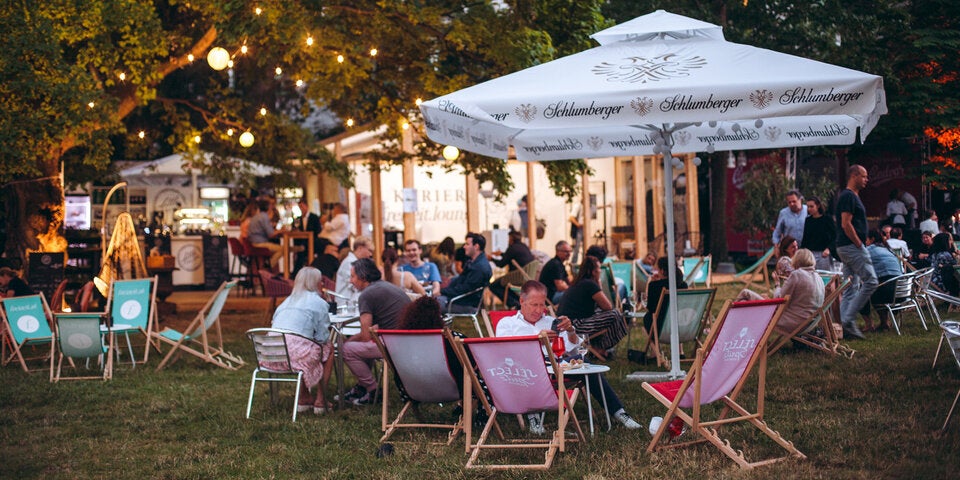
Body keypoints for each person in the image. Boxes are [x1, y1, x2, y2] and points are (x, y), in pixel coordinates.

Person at [495, 280, 641, 433]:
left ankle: (619, 413)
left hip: (556, 366)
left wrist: (571, 331)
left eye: (542, 304)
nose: (539, 310)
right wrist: (538, 339)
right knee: (539, 367)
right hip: (523, 370)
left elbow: (573, 349)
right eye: (534, 305)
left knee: (583, 362)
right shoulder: (507, 324)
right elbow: (506, 352)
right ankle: (534, 418)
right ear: (522, 301)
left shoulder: (551, 322)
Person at [339, 258, 412, 406]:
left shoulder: (367, 295)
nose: (351, 281)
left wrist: (349, 340)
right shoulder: (385, 286)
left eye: (353, 276)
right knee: (361, 346)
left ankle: (373, 391)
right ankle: (362, 387)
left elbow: (366, 336)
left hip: (394, 344)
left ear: (363, 277)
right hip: (409, 341)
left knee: (346, 349)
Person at [270, 267, 334, 414]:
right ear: (316, 283)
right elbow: (322, 337)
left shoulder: (285, 302)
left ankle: (304, 397)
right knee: (327, 348)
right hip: (294, 355)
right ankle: (321, 400)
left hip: (271, 354)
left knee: (304, 345)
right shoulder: (319, 303)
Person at [835, 165, 877, 340]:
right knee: (872, 281)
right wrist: (860, 244)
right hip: (851, 247)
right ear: (854, 176)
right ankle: (848, 319)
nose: (867, 179)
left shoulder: (852, 196)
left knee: (851, 286)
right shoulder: (848, 196)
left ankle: (845, 327)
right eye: (864, 176)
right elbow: (846, 223)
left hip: (846, 247)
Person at [556, 256, 627, 357]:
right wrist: (599, 286)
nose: (600, 271)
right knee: (615, 314)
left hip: (566, 324)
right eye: (599, 268)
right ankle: (599, 348)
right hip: (575, 326)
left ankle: (597, 347)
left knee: (600, 311)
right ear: (593, 271)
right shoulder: (590, 284)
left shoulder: (579, 282)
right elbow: (608, 306)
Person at [859, 230, 903, 332]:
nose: (865, 242)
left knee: (858, 291)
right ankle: (884, 322)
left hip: (888, 292)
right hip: (901, 292)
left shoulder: (869, 250)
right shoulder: (887, 250)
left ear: (872, 239)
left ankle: (869, 324)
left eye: (866, 240)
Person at [439, 233, 492, 313]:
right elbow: (462, 281)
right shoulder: (475, 262)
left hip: (463, 303)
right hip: (460, 300)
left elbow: (464, 289)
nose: (464, 246)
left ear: (476, 246)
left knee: (431, 304)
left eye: (467, 244)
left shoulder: (479, 268)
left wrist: (442, 291)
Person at [643, 257, 689, 335]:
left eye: (658, 269)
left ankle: (656, 346)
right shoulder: (683, 285)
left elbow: (650, 308)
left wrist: (653, 283)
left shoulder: (654, 285)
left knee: (648, 317)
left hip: (660, 327)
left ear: (663, 270)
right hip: (680, 326)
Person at [488, 231, 535, 308]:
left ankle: (514, 303)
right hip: (527, 276)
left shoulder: (512, 248)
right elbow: (512, 256)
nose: (508, 240)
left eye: (508, 238)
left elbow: (501, 264)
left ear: (511, 239)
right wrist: (501, 254)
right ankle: (518, 302)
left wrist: (491, 259)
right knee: (504, 285)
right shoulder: (524, 246)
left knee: (493, 285)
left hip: (517, 277)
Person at [799, 195, 837, 271]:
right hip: (810, 254)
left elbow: (835, 236)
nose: (809, 209)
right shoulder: (808, 220)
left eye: (811, 206)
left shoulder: (827, 219)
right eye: (808, 207)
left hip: (823, 254)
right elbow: (806, 238)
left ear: (818, 206)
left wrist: (829, 249)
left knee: (826, 276)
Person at [247, 199, 286, 271]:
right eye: (270, 205)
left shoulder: (256, 216)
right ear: (267, 207)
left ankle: (268, 265)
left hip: (253, 243)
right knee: (284, 249)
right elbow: (271, 234)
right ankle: (268, 265)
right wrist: (281, 231)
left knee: (284, 248)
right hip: (259, 244)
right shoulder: (264, 216)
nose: (272, 207)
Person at [334, 236, 373, 302]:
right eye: (369, 250)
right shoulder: (349, 262)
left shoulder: (353, 262)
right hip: (346, 305)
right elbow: (355, 285)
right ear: (360, 248)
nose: (370, 254)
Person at [538, 240, 573, 305]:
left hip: (552, 294)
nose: (569, 254)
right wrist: (573, 289)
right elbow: (560, 287)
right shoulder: (555, 265)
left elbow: (569, 281)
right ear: (558, 252)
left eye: (570, 251)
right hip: (549, 297)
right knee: (574, 294)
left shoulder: (560, 264)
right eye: (566, 251)